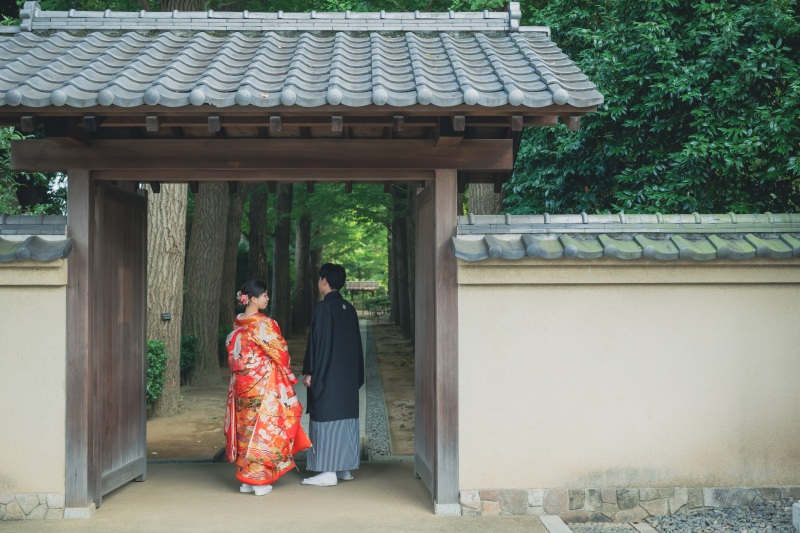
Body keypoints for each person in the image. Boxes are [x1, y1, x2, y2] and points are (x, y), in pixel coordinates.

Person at [224, 279, 306, 496]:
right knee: (262, 430)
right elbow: (280, 351)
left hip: (241, 386)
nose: (267, 299)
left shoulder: (238, 321)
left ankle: (245, 480)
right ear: (252, 298)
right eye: (264, 295)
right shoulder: (265, 323)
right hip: (261, 387)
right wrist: (288, 375)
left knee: (245, 430)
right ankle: (258, 481)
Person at [301, 263, 365, 487]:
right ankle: (343, 467)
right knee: (346, 419)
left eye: (320, 279)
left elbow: (316, 343)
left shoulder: (322, 308)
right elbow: (357, 345)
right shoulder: (349, 308)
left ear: (324, 281)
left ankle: (328, 470)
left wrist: (310, 372)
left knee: (326, 418)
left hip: (328, 376)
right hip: (347, 377)